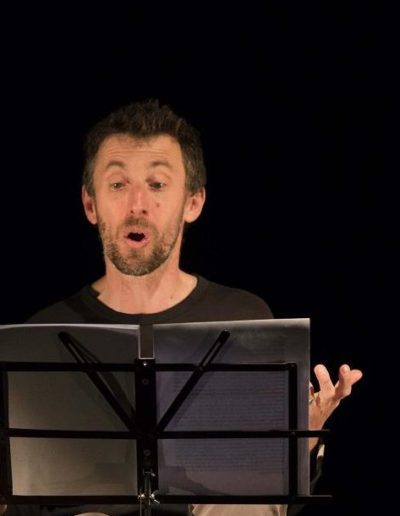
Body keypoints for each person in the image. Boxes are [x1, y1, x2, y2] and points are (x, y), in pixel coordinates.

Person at [2, 99, 362, 516]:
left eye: (157, 184)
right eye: (117, 184)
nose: (137, 204)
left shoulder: (242, 319)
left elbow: (266, 499)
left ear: (193, 202)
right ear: (90, 204)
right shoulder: (45, 336)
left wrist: (303, 439)